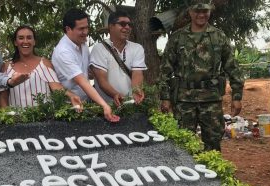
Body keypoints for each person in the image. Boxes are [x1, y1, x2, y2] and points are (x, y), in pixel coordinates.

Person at [159, 0, 244, 151]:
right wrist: (165, 97)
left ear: (210, 12)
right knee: (182, 143)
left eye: (205, 11)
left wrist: (237, 97)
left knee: (213, 142)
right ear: (190, 12)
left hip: (210, 99)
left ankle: (213, 173)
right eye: (197, 11)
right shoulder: (177, 37)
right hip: (184, 99)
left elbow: (233, 67)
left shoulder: (219, 36)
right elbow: (166, 68)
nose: (201, 14)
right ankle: (185, 173)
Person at [52, 8, 120, 122]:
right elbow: (82, 81)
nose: (86, 32)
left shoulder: (82, 43)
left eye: (87, 27)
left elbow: (87, 74)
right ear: (68, 29)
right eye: (81, 29)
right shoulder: (63, 51)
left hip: (85, 103)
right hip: (68, 107)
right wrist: (104, 105)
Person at [0, 25, 82, 110]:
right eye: (21, 38)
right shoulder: (6, 67)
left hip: (44, 120)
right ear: (15, 42)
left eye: (29, 38)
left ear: (34, 41)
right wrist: (6, 117)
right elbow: (3, 97)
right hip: (17, 121)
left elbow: (56, 87)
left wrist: (71, 95)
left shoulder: (45, 63)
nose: (25, 41)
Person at [90, 10, 146, 106]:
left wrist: (136, 91)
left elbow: (137, 73)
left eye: (129, 24)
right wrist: (116, 95)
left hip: (130, 106)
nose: (127, 27)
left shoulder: (137, 48)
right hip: (105, 107)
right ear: (111, 27)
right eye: (123, 24)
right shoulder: (99, 48)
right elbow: (102, 81)